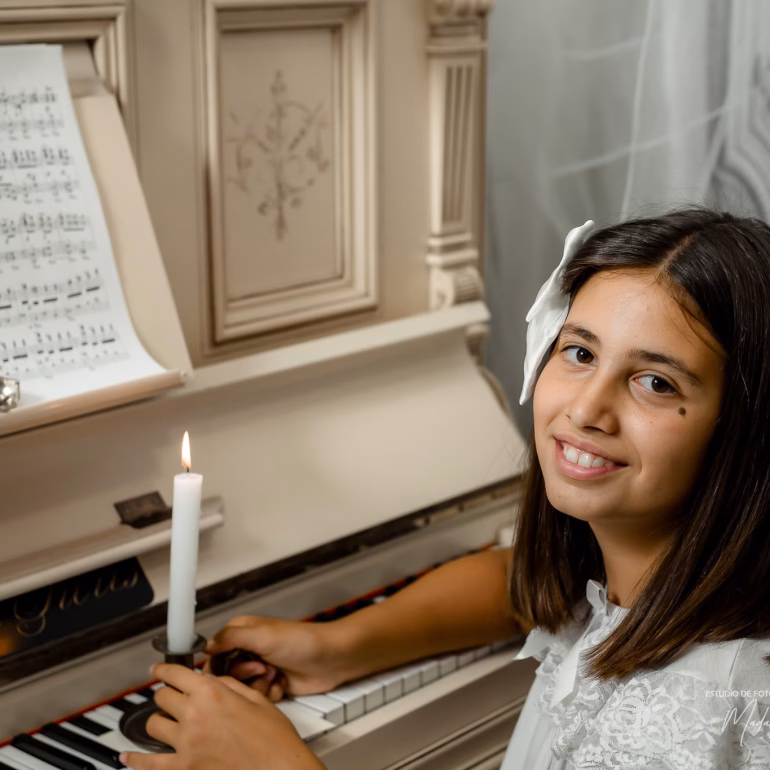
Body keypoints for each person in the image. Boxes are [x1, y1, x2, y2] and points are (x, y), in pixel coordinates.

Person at [122, 208, 770, 769]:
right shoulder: (628, 577)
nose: (587, 410)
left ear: (743, 429)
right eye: (578, 353)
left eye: (656, 382)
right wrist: (338, 644)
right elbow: (521, 582)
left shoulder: (709, 699)